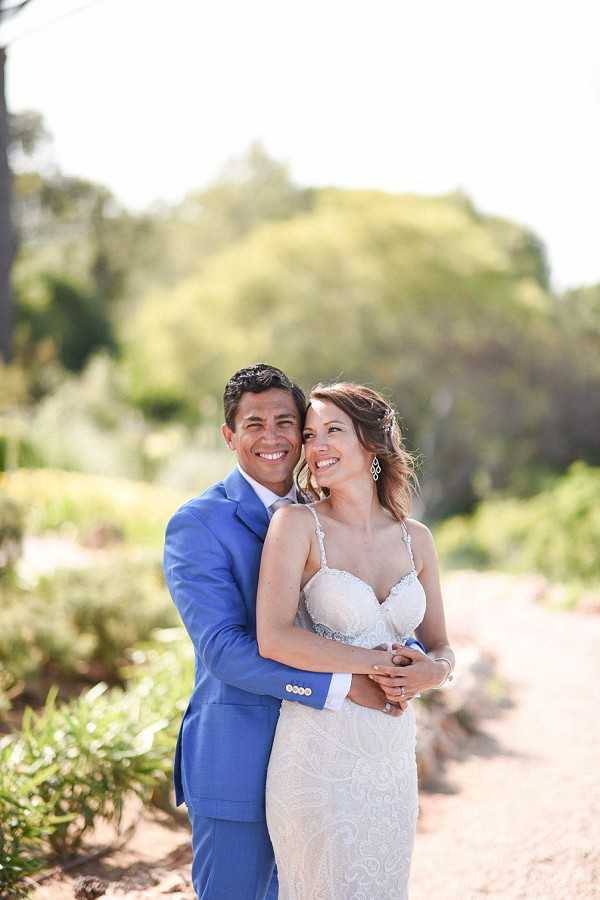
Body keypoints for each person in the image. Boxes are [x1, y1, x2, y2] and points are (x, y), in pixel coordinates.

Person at [163, 364, 425, 900]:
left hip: (335, 765)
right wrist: (344, 684)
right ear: (228, 435)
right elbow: (224, 653)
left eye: (288, 422)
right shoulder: (198, 523)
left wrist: (413, 661)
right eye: (253, 423)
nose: (273, 437)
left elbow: (372, 614)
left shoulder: (331, 511)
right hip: (239, 759)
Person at [257, 382, 455, 900]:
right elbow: (273, 637)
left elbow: (441, 646)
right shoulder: (296, 524)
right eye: (310, 434)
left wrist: (433, 672)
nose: (316, 446)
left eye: (332, 431)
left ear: (372, 442)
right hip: (319, 748)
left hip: (391, 755)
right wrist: (372, 664)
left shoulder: (417, 539)